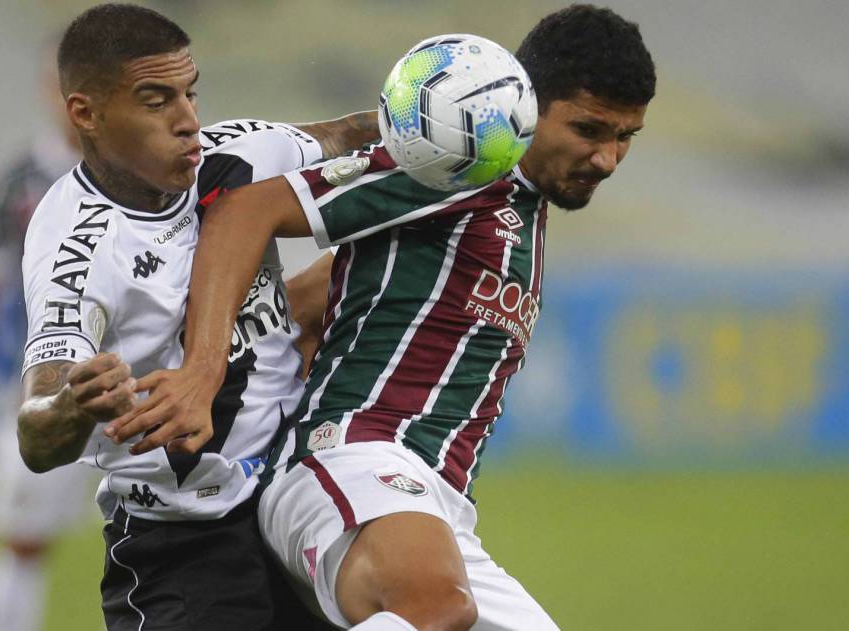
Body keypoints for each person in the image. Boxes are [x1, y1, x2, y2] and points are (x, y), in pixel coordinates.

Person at [109, 5, 656, 630]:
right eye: (589, 130)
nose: (608, 158)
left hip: (433, 501)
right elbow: (244, 212)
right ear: (529, 106)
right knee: (434, 608)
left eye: (625, 137)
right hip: (354, 457)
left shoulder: (520, 207)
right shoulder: (458, 162)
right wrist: (201, 373)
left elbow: (320, 297)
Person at [15, 4, 378, 630]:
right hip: (184, 543)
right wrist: (77, 406)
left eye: (190, 93)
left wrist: (469, 118)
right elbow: (37, 433)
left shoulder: (234, 157)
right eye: (157, 101)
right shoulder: (78, 249)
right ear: (86, 114)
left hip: (301, 500)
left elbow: (351, 134)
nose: (189, 122)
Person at [0, 41, 97, 631]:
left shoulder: (154, 169)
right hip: (43, 389)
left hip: (144, 390)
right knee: (22, 541)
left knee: (159, 535)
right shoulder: (19, 182)